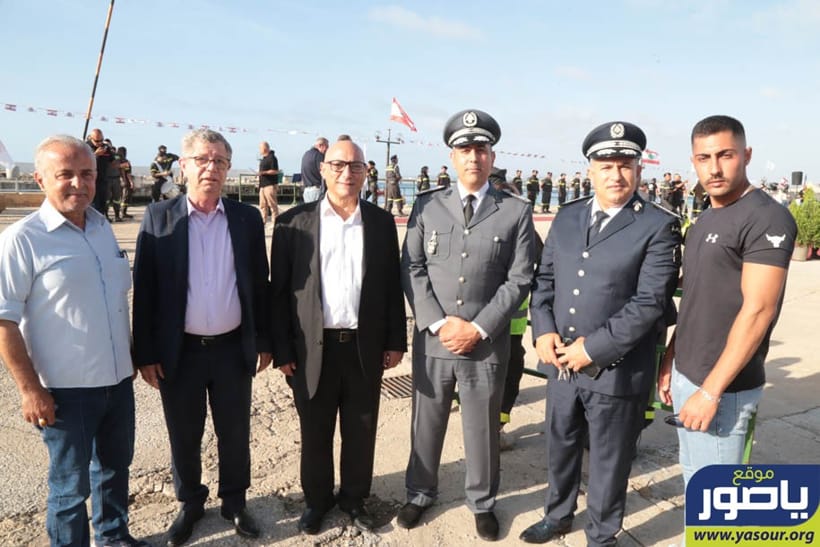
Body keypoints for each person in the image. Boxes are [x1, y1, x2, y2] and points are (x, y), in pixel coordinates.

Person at [520, 121, 681, 546]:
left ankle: (602, 535)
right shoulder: (569, 216)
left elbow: (649, 303)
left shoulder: (658, 225)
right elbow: (545, 281)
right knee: (560, 444)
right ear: (590, 170)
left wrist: (592, 349)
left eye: (625, 165)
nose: (616, 175)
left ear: (639, 170)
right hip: (560, 362)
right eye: (606, 165)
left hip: (616, 369)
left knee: (609, 460)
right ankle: (557, 516)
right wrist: (543, 332)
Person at [0, 135, 148, 546]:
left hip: (118, 382)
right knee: (69, 489)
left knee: (115, 470)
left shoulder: (102, 229)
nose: (78, 184)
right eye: (65, 174)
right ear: (40, 179)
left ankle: (113, 537)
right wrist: (30, 390)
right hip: (66, 392)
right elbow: (4, 321)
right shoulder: (23, 239)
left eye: (87, 174)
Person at [399, 109, 535, 542]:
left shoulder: (515, 211)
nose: (473, 157)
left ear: (492, 156)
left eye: (481, 149)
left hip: (486, 342)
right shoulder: (427, 205)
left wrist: (478, 328)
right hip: (434, 338)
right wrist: (439, 323)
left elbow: (520, 277)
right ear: (452, 157)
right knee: (426, 422)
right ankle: (420, 492)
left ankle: (482, 501)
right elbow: (412, 266)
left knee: (482, 427)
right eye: (464, 149)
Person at [132, 130, 271, 545]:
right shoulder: (159, 217)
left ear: (228, 169)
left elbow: (258, 285)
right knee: (184, 433)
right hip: (181, 351)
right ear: (184, 166)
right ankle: (190, 502)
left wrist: (264, 340)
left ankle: (234, 501)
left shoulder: (246, 218)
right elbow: (146, 289)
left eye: (220, 161)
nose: (211, 168)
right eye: (203, 160)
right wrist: (146, 352)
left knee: (235, 431)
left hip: (232, 348)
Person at [270, 139, 407, 535]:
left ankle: (354, 498)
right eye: (338, 165)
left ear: (365, 172)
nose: (347, 173)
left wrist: (395, 340)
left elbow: (390, 285)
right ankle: (316, 501)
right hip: (311, 349)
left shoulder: (380, 223)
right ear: (323, 170)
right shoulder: (293, 223)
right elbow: (279, 292)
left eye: (356, 166)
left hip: (364, 346)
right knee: (315, 431)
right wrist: (281, 348)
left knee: (360, 429)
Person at [657, 115, 796, 489]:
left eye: (725, 155)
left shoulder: (767, 218)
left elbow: (759, 310)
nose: (714, 168)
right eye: (704, 158)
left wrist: (710, 391)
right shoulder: (705, 220)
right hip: (688, 373)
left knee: (717, 492)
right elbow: (697, 297)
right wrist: (671, 358)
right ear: (693, 161)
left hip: (724, 386)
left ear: (746, 155)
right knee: (695, 480)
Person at [86, 128, 115, 218]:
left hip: (103, 180)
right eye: (97, 141)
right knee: (94, 205)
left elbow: (113, 160)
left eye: (101, 140)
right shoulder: (85, 148)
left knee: (103, 203)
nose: (99, 143)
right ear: (91, 138)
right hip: (91, 181)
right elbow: (81, 162)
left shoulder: (106, 147)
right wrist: (95, 155)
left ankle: (101, 219)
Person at [258, 141, 280, 224]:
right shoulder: (263, 159)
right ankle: (263, 222)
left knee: (272, 205)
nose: (259, 150)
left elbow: (275, 171)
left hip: (269, 185)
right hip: (262, 185)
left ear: (265, 148)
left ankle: (275, 222)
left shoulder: (272, 158)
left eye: (260, 148)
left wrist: (264, 172)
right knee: (262, 205)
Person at [301, 137, 328, 203]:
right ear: (320, 145)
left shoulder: (306, 154)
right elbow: (324, 173)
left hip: (306, 191)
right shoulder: (319, 155)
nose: (327, 150)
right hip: (316, 191)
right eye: (326, 147)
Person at [104, 139, 123, 222]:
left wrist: (123, 178)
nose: (107, 146)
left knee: (117, 198)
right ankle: (106, 215)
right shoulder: (103, 155)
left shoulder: (117, 155)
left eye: (108, 144)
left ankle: (117, 215)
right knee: (106, 198)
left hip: (116, 179)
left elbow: (121, 167)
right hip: (107, 179)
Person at [117, 146, 135, 219]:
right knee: (125, 197)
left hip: (116, 181)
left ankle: (119, 213)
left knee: (119, 198)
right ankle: (123, 212)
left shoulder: (115, 161)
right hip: (124, 181)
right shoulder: (125, 161)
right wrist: (131, 182)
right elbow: (127, 173)